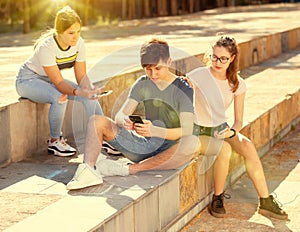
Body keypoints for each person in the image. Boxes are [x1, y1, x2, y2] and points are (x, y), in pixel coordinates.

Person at [66, 38, 201, 190]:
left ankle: (130, 169)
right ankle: (88, 170)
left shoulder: (183, 89)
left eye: (158, 68)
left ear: (169, 62)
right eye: (148, 69)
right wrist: (124, 120)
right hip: (143, 147)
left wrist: (157, 131)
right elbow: (120, 114)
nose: (153, 74)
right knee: (96, 121)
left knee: (192, 143)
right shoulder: (143, 83)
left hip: (171, 151)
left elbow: (187, 129)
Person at [187, 35, 288, 220]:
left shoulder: (237, 83)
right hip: (199, 130)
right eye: (215, 57)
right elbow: (181, 101)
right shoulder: (197, 76)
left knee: (248, 145)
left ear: (232, 58)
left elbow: (239, 121)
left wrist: (231, 132)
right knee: (224, 149)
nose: (217, 62)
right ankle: (217, 198)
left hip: (221, 129)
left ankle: (265, 201)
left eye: (223, 58)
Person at [15, 6, 105, 157]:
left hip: (48, 80)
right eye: (70, 33)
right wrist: (78, 91)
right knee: (59, 97)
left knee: (89, 98)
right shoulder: (47, 47)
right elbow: (58, 83)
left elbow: (81, 75)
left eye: (78, 31)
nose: (75, 37)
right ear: (59, 32)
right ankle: (54, 141)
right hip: (27, 80)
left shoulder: (79, 43)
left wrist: (89, 90)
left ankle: (104, 135)